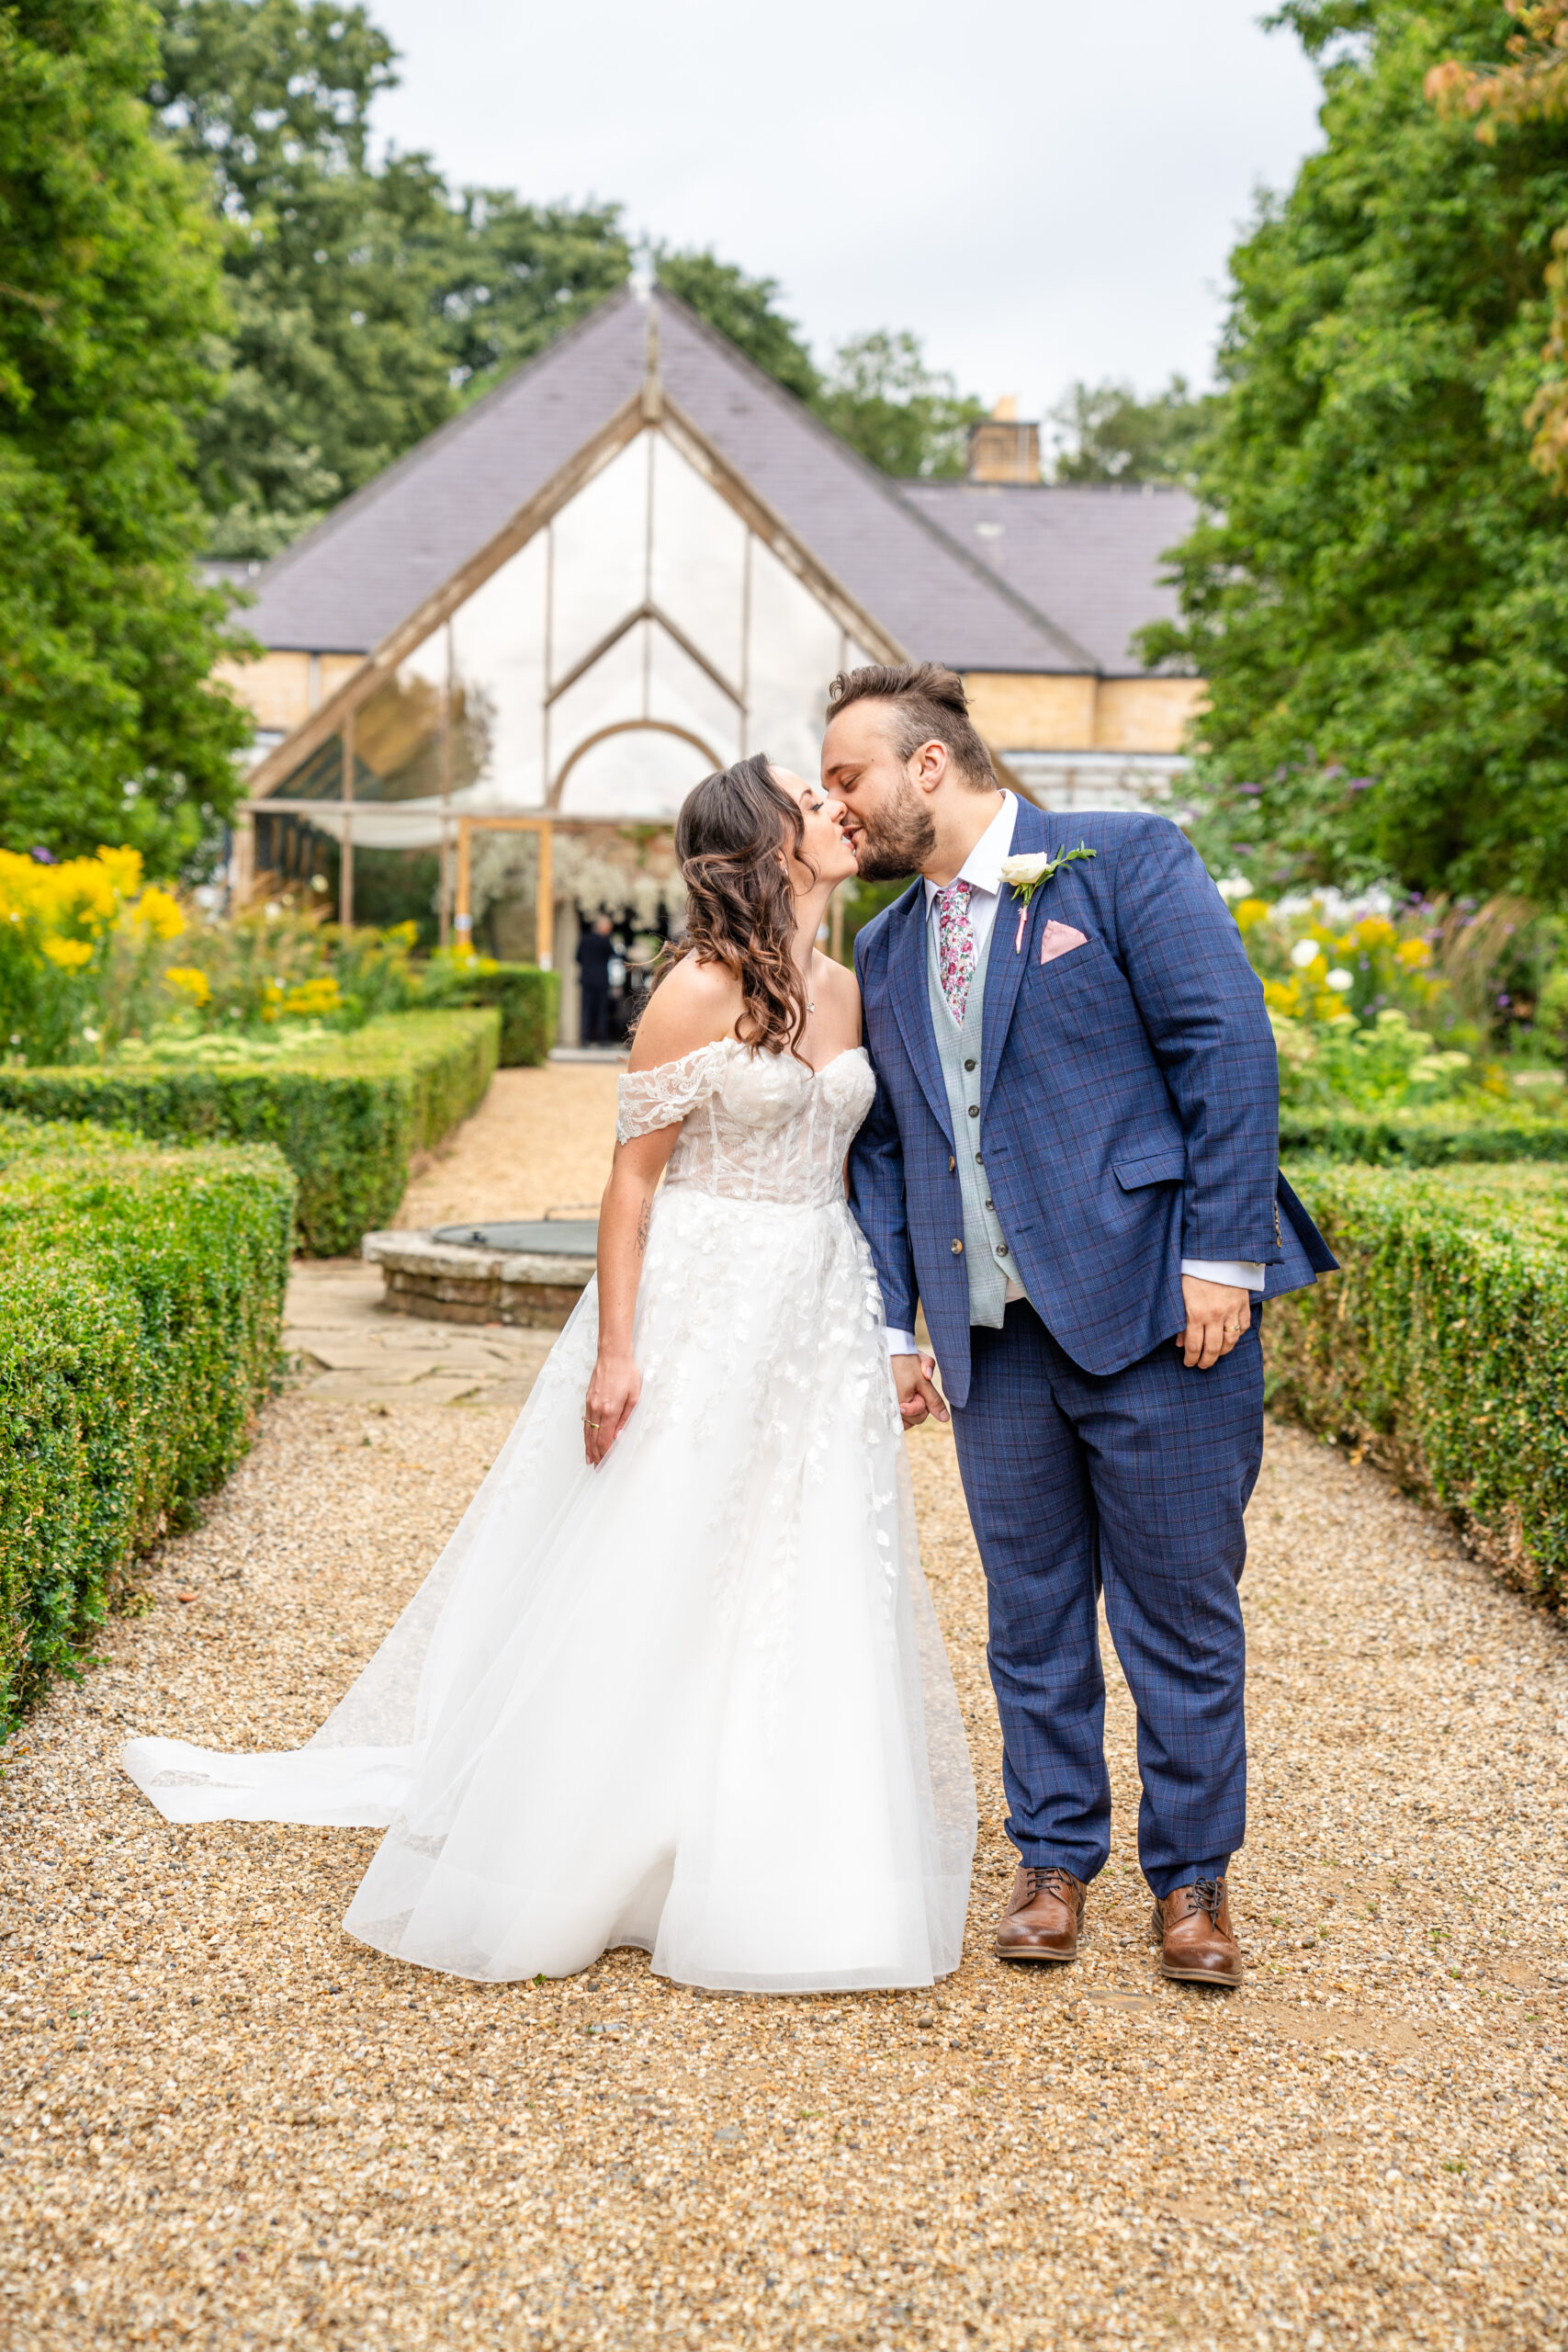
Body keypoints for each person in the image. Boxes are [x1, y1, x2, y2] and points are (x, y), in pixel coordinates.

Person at [121, 753, 975, 1994]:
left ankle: (773, 1833)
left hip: (815, 1308)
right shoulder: (693, 992)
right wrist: (617, 1353)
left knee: (805, 1555)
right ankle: (590, 1834)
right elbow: (629, 1184)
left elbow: (864, 1166)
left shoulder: (848, 989)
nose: (836, 808)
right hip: (700, 1297)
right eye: (807, 800)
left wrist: (896, 1327)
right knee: (664, 1543)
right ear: (759, 842)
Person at [825, 662, 1336, 1988]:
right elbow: (882, 1151)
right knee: (1028, 1611)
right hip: (989, 1341)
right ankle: (1051, 1862)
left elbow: (1221, 1048)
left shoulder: (1120, 860)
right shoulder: (880, 946)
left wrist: (1220, 1255)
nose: (838, 807)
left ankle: (1191, 1885)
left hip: (1162, 1314)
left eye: (847, 778)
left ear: (926, 766)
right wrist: (901, 1321)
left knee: (1176, 1613)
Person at [576, 911, 616, 1046]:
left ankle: (585, 1038)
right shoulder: (605, 941)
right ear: (602, 927)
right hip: (601, 980)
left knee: (586, 1009)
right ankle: (601, 1039)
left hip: (587, 979)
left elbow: (577, 958)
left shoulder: (584, 939)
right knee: (601, 1010)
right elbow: (614, 955)